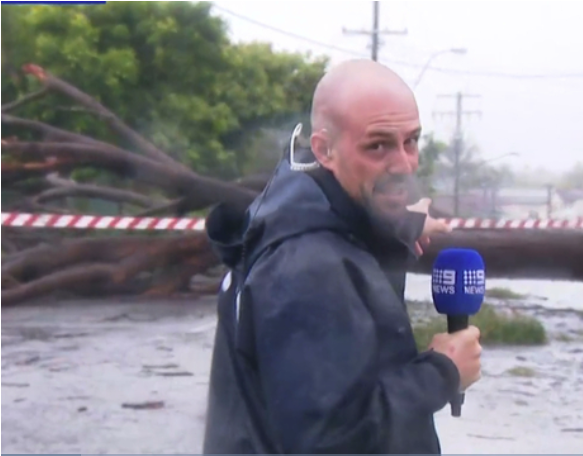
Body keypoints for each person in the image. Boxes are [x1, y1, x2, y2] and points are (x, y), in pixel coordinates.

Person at [202, 59, 483, 454]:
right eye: (377, 145)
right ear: (324, 149)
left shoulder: (296, 210)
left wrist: (398, 227)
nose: (403, 164)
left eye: (411, 141)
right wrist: (442, 372)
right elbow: (331, 441)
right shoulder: (308, 268)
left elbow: (341, 228)